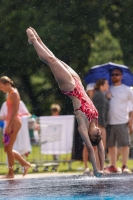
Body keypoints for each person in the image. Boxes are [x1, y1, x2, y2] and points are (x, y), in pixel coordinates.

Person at [26, 27, 105, 177]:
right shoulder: (95, 119)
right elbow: (100, 148)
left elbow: (91, 149)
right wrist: (103, 167)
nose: (99, 132)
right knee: (56, 58)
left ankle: (34, 41)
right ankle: (38, 39)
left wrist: (96, 170)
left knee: (51, 61)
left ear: (90, 134)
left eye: (97, 135)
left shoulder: (84, 126)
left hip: (70, 88)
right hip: (78, 83)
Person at [0, 76, 31, 179]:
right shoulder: (10, 93)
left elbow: (15, 112)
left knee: (8, 148)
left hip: (14, 123)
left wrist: (9, 126)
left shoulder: (14, 94)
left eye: (1, 86)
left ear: (7, 84)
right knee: (6, 148)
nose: (1, 89)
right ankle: (24, 163)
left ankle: (11, 173)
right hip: (10, 122)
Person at [106, 68, 133, 173]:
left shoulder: (127, 89)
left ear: (121, 76)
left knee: (125, 144)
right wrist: (107, 97)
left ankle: (124, 166)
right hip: (109, 121)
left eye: (117, 74)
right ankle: (113, 165)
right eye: (112, 75)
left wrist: (131, 119)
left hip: (122, 121)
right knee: (111, 145)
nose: (114, 76)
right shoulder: (109, 89)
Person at [82, 83, 95, 174]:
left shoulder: (96, 100)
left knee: (94, 146)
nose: (94, 92)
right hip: (87, 126)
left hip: (94, 126)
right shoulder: (85, 100)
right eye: (92, 90)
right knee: (86, 146)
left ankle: (94, 166)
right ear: (88, 91)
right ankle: (86, 166)